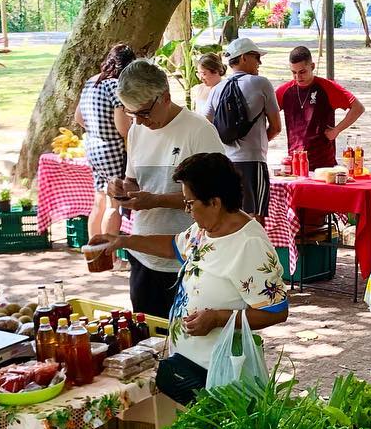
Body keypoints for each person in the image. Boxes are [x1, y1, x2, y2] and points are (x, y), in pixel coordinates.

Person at [91, 153, 289, 405]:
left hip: (223, 374)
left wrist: (217, 317)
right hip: (189, 361)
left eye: (190, 203)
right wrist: (123, 240)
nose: (187, 211)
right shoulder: (205, 230)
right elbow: (173, 246)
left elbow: (275, 312)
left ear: (215, 202)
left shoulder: (249, 245)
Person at [112, 60, 225, 318]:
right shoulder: (137, 131)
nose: (139, 122)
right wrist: (122, 188)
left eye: (143, 113)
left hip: (189, 261)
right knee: (146, 343)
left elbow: (216, 198)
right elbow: (135, 180)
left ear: (164, 97)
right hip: (144, 256)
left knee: (186, 344)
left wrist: (156, 200)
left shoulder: (199, 131)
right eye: (132, 115)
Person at [205, 37, 280, 218]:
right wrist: (258, 142)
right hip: (253, 162)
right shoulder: (261, 83)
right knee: (255, 219)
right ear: (244, 57)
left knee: (229, 217)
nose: (259, 62)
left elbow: (206, 126)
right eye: (256, 56)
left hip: (225, 164)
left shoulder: (217, 89)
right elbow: (276, 127)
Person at [76, 44, 136, 239]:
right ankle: (109, 255)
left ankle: (94, 254)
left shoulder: (91, 82)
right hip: (112, 150)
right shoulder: (115, 86)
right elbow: (123, 128)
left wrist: (97, 128)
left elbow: (79, 117)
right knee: (114, 204)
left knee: (99, 201)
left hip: (92, 147)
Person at [275, 45, 366, 170]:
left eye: (302, 72)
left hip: (324, 161)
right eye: (294, 73)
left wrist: (337, 130)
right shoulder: (284, 91)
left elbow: (358, 108)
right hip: (296, 161)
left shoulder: (327, 87)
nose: (297, 77)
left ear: (312, 66)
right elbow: (266, 113)